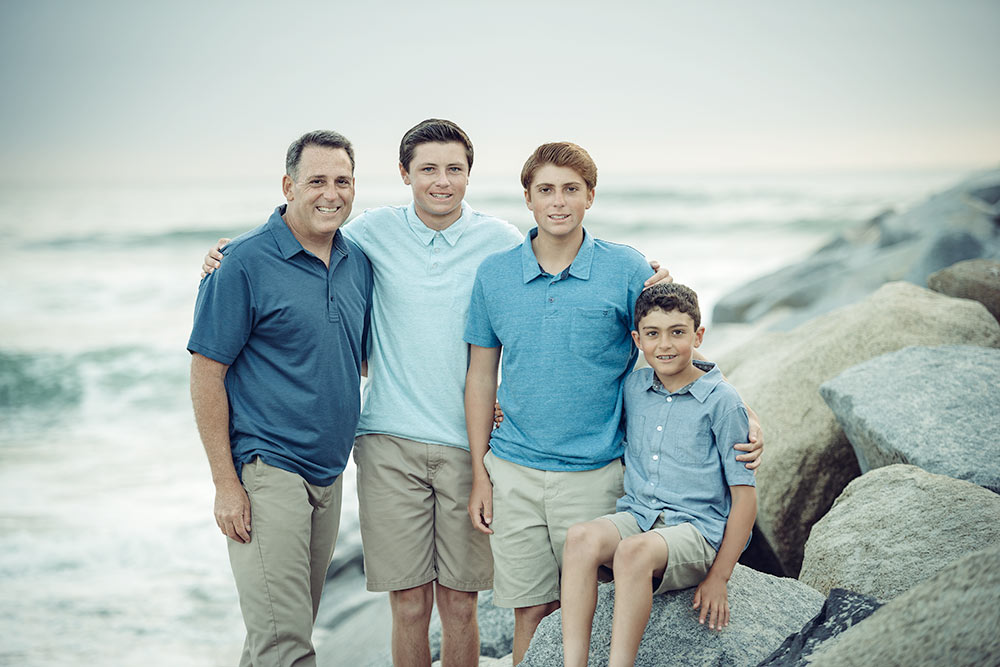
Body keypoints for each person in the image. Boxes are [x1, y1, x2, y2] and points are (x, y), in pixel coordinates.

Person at [200, 120, 682, 667]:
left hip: (466, 445)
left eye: (455, 169)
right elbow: (304, 232)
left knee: (460, 605)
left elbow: (567, 259)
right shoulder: (369, 234)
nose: (442, 181)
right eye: (428, 169)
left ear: (470, 176)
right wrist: (230, 252)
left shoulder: (501, 243)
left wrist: (650, 274)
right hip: (387, 442)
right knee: (407, 605)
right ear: (404, 174)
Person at [463, 143, 762, 664]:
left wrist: (745, 411)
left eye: (571, 189)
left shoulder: (625, 268)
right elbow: (481, 375)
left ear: (590, 196)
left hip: (597, 473)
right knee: (529, 611)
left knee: (583, 601)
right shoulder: (495, 275)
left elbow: (669, 345)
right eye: (546, 190)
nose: (559, 202)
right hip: (513, 468)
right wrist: (479, 474)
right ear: (528, 199)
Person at [188, 130, 373, 666]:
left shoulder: (357, 261)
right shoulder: (242, 262)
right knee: (286, 645)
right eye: (316, 181)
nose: (330, 193)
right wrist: (226, 483)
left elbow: (361, 358)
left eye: (342, 181)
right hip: (268, 469)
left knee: (276, 634)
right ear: (289, 185)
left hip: (328, 473)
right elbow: (206, 373)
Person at [560, 282, 757, 667]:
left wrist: (719, 577)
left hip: (697, 530)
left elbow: (746, 500)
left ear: (698, 336)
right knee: (580, 538)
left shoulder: (723, 402)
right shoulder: (634, 386)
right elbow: (579, 405)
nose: (664, 345)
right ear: (637, 339)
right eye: (652, 334)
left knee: (633, 552)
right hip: (641, 514)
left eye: (677, 333)